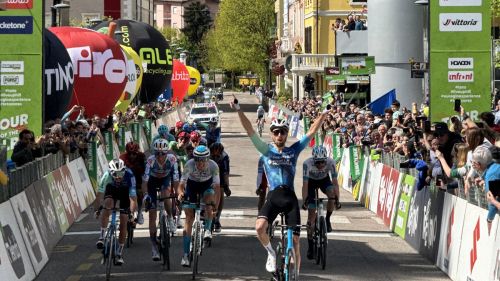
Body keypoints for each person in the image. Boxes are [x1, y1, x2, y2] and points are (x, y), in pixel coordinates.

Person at [230, 94, 328, 275]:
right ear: (271, 135)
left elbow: (311, 132)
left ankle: (295, 274)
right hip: (273, 196)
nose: (280, 135)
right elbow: (250, 130)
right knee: (259, 227)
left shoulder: (294, 150)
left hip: (290, 197)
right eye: (276, 132)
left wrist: (322, 116)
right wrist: (238, 109)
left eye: (283, 131)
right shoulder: (265, 151)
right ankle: (271, 253)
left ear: (287, 134)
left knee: (296, 241)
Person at [177, 145, 220, 267]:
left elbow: (217, 188)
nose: (200, 163)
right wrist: (180, 193)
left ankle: (207, 229)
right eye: (197, 160)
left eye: (203, 160)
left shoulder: (213, 166)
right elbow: (181, 183)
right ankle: (185, 255)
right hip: (192, 186)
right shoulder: (189, 164)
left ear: (208, 159)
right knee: (188, 218)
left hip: (207, 186)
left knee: (209, 201)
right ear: (194, 159)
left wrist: (215, 205)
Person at [94, 159, 137, 265]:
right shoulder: (106, 176)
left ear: (124, 170)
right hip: (111, 190)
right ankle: (102, 236)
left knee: (124, 220)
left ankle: (119, 253)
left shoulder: (129, 175)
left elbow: (132, 198)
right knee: (107, 204)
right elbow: (99, 195)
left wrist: (132, 214)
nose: (118, 176)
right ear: (110, 172)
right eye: (115, 174)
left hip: (124, 192)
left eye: (121, 173)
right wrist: (97, 210)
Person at [142, 139, 179, 261]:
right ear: (154, 153)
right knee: (152, 215)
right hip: (152, 182)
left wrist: (176, 193)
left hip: (165, 179)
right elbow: (145, 181)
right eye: (157, 153)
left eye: (163, 153)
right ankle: (154, 247)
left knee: (165, 193)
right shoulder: (150, 160)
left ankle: (169, 217)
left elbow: (175, 178)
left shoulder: (172, 159)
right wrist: (146, 195)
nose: (160, 156)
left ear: (167, 152)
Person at [120, 141, 146, 224]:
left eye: (134, 154)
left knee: (139, 193)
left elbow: (145, 173)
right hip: (125, 180)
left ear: (137, 152)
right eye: (130, 154)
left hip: (138, 179)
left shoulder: (142, 157)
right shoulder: (122, 157)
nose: (132, 156)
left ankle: (139, 211)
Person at [210, 142, 231, 232]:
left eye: (217, 155)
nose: (215, 157)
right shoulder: (207, 155)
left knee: (221, 192)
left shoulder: (224, 157)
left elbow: (225, 173)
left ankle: (217, 219)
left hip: (220, 175)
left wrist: (227, 186)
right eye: (213, 155)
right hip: (208, 174)